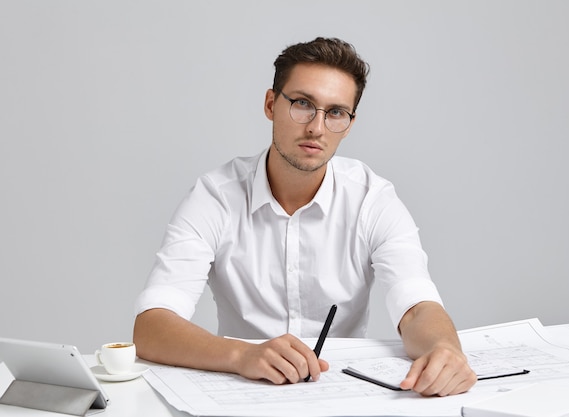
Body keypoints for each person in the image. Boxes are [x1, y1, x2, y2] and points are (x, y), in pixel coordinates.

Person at [133, 37, 477, 396]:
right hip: (241, 394)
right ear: (270, 104)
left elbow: (416, 307)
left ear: (350, 121)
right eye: (302, 104)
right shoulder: (215, 196)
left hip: (341, 394)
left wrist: (446, 351)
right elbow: (152, 325)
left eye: (336, 113)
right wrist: (242, 355)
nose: (316, 127)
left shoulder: (372, 200)